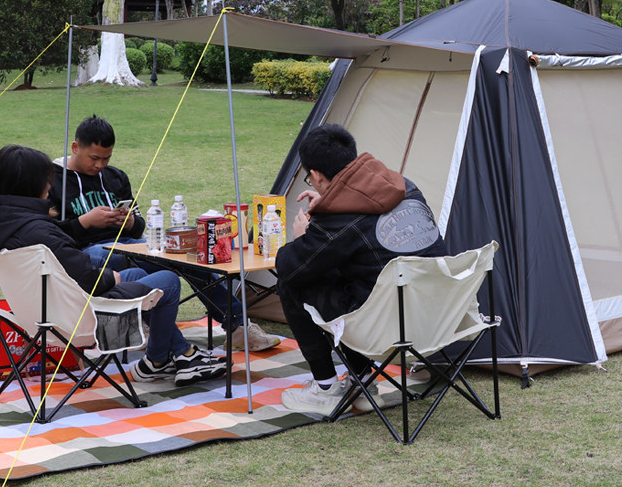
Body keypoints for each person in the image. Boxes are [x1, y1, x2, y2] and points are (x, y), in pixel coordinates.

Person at [0, 144, 225, 386]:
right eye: (45, 179)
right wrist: (110, 278)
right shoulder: (38, 231)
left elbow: (64, 249)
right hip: (79, 319)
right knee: (167, 280)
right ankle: (159, 359)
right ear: (30, 184)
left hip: (33, 317)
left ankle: (175, 354)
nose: (49, 185)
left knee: (136, 273)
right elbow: (89, 279)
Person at [49, 115, 280, 353]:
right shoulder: (54, 180)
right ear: (76, 148)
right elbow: (51, 235)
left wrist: (129, 223)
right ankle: (157, 335)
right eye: (94, 158)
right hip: (87, 252)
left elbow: (139, 225)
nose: (100, 165)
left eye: (106, 158)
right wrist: (85, 222)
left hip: (128, 242)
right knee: (143, 263)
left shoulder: (115, 177)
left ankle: (237, 327)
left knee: (184, 259)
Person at [277, 123, 447, 416]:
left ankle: (326, 389)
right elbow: (364, 226)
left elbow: (291, 266)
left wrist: (304, 237)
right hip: (439, 317)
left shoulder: (340, 222)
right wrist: (330, 203)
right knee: (360, 280)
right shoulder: (405, 186)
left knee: (294, 283)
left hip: (386, 328)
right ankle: (364, 383)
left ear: (316, 176)